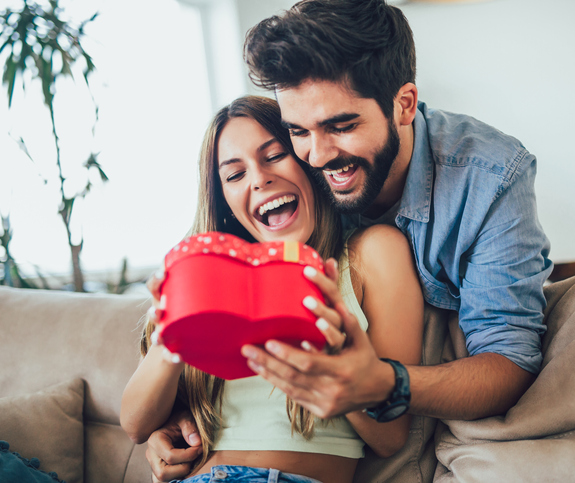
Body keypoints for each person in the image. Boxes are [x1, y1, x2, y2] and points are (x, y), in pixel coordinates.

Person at [145, 0, 553, 480]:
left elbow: (507, 360)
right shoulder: (294, 171)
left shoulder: (490, 177)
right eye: (297, 131)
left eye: (342, 126)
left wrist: (383, 382)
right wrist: (181, 412)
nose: (317, 155)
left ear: (403, 104)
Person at [121, 95, 424, 483]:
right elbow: (134, 426)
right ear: (226, 202)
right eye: (234, 175)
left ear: (308, 160)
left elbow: (391, 437)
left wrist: (327, 354)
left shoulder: (372, 253)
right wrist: (171, 336)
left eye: (275, 155)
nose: (259, 178)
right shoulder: (214, 282)